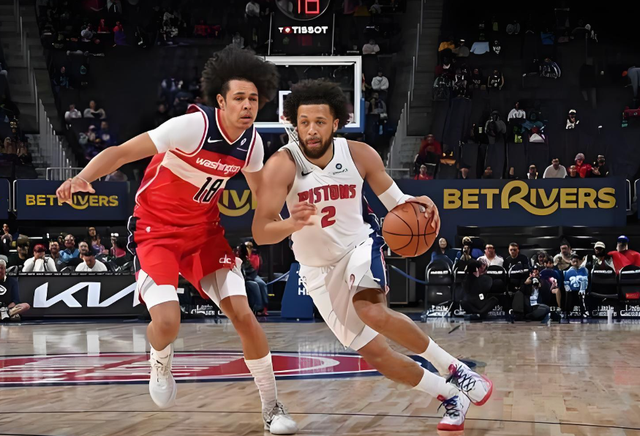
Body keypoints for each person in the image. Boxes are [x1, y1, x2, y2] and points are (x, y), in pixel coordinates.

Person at [55, 46, 297, 435]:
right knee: (167, 322)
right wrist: (83, 176)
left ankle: (272, 407)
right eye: (239, 98)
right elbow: (122, 152)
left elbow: (261, 197)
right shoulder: (191, 128)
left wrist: (288, 222)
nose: (247, 106)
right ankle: (159, 357)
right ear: (221, 100)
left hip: (205, 235)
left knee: (244, 315)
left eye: (253, 99)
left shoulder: (251, 145)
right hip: (156, 232)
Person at [252, 79, 493, 432]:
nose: (311, 130)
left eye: (319, 122)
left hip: (359, 247)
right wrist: (290, 223)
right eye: (304, 122)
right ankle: (450, 395)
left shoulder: (359, 154)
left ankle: (456, 369)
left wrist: (418, 204)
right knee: (377, 355)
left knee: (372, 311)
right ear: (295, 124)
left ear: (336, 123)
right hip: (316, 270)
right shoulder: (282, 164)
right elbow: (261, 231)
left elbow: (397, 202)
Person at [238, 244, 268, 315]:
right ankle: (258, 307)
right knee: (255, 285)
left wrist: (251, 277)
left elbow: (252, 269)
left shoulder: (245, 258)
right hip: (243, 278)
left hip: (251, 276)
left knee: (262, 284)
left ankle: (265, 306)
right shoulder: (236, 259)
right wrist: (247, 278)